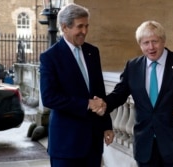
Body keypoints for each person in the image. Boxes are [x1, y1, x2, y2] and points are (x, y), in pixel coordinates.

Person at [103, 20, 173, 167]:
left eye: (155, 41)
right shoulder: (133, 66)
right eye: (145, 43)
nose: (151, 47)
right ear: (140, 44)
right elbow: (119, 95)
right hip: (145, 148)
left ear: (163, 41)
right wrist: (102, 104)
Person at [39, 3, 114, 167]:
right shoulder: (50, 57)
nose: (85, 31)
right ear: (65, 27)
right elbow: (49, 97)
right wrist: (86, 104)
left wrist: (106, 125)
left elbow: (99, 93)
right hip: (66, 145)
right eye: (80, 26)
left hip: (93, 143)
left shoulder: (92, 52)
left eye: (86, 26)